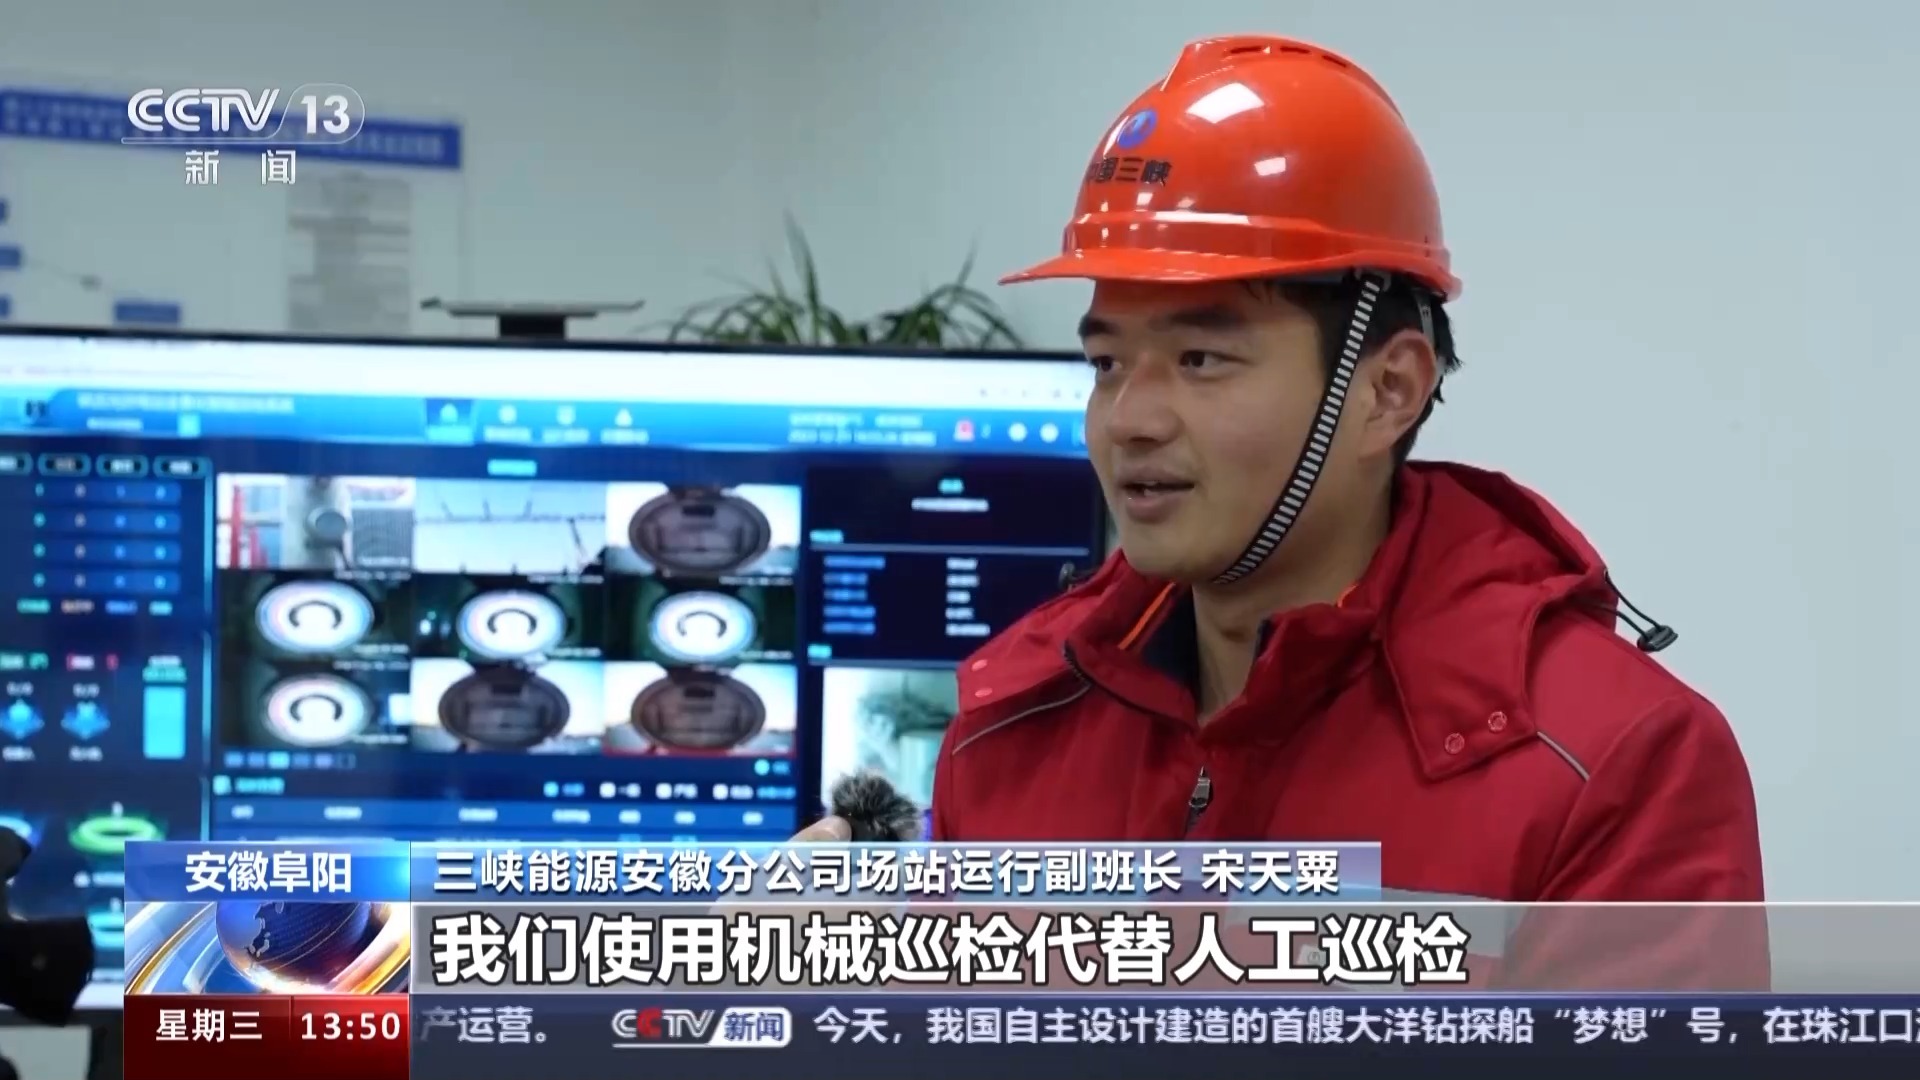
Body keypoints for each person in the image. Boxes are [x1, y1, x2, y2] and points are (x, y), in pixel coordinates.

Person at [929, 35, 1765, 905]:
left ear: (1387, 391)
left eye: (1201, 359)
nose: (1128, 422)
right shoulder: (1007, 732)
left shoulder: (1615, 767)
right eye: (1107, 365)